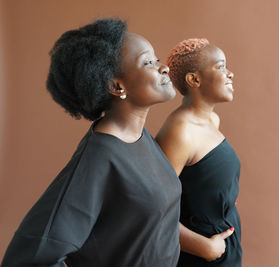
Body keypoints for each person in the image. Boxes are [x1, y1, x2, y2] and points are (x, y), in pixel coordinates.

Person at [1, 18, 181, 267]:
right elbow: (30, 257)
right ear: (116, 86)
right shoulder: (99, 158)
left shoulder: (141, 138)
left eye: (157, 59)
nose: (164, 68)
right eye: (148, 62)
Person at [156, 38, 242, 266]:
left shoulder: (212, 119)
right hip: (199, 255)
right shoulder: (180, 131)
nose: (230, 74)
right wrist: (204, 247)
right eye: (221, 66)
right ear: (194, 79)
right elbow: (154, 209)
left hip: (223, 249)